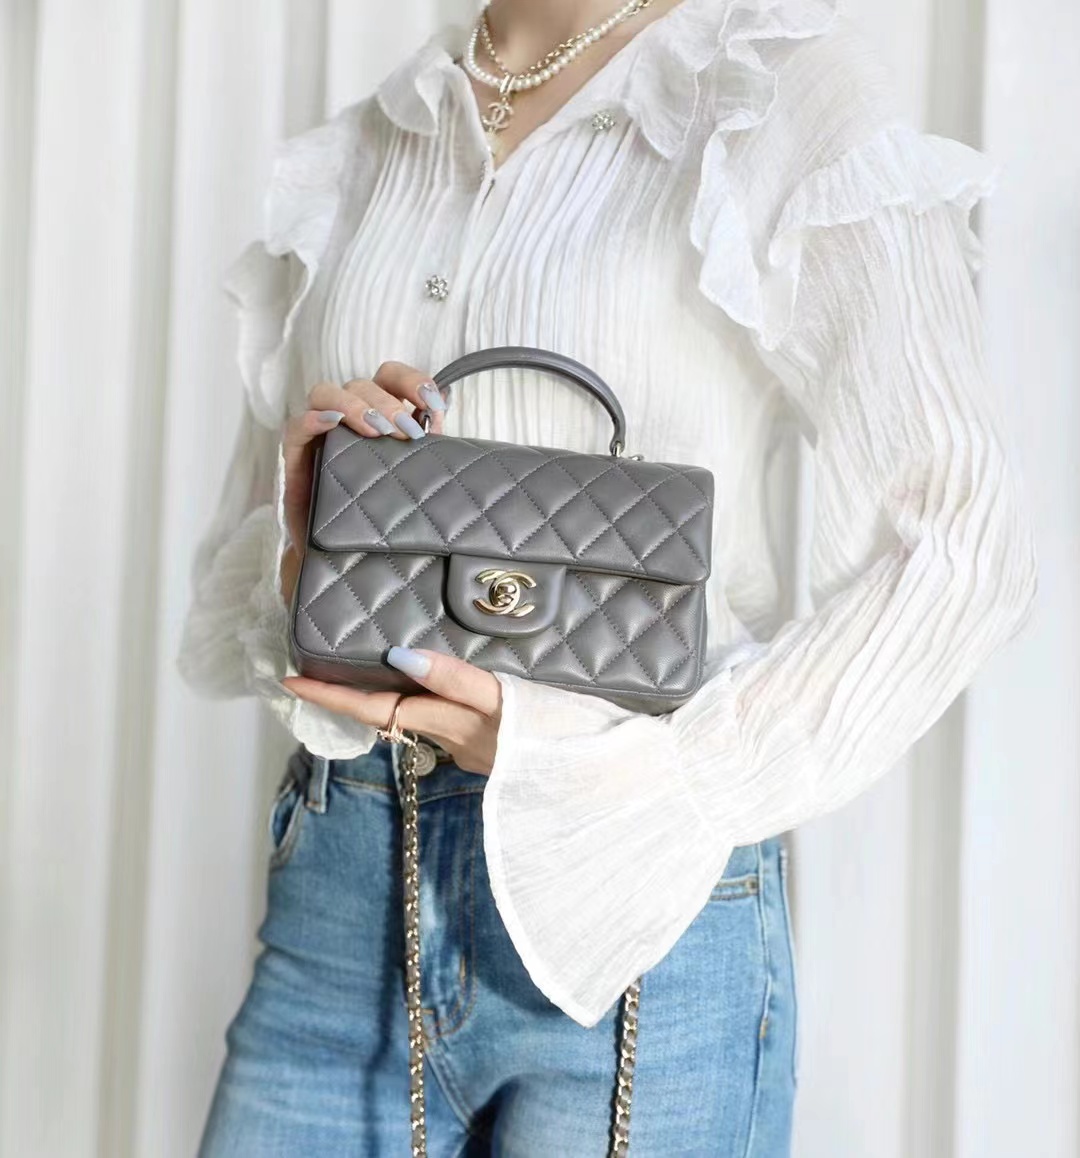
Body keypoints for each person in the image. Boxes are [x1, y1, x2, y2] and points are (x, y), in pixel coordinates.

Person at [178, 0, 1039, 1153]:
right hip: (347, 876)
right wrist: (303, 533)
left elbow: (967, 539)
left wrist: (665, 783)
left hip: (636, 908)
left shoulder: (772, 91)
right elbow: (241, 586)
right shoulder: (380, 136)